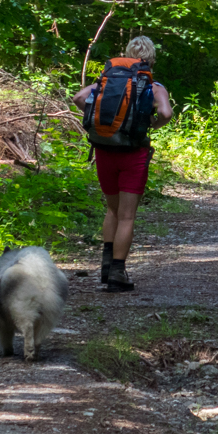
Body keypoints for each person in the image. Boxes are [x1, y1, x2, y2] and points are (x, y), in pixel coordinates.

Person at [72, 36, 173, 292]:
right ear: (151, 58)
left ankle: (106, 267)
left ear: (128, 53)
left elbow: (79, 98)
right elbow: (165, 113)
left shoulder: (109, 79)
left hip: (105, 150)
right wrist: (151, 125)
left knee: (112, 210)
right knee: (127, 216)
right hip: (133, 154)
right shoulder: (154, 85)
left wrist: (102, 123)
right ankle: (118, 272)